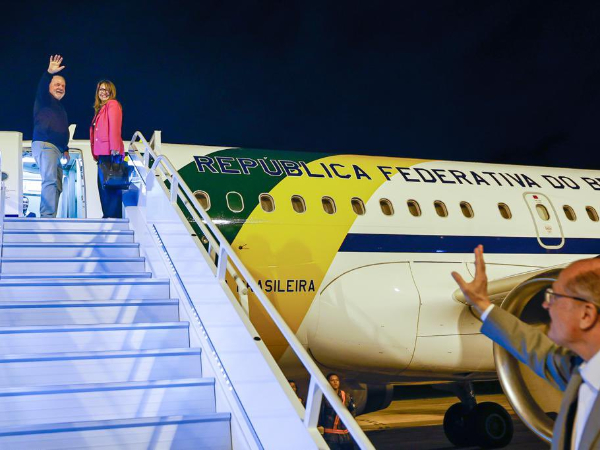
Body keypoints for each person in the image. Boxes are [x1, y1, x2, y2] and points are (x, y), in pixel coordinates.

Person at [452, 245, 600, 450]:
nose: (546, 305)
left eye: (556, 298)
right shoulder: (579, 370)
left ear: (586, 315)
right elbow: (533, 346)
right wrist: (482, 305)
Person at [32, 55, 70, 218]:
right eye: (57, 84)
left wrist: (66, 149)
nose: (60, 87)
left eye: (63, 85)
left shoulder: (60, 107)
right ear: (49, 87)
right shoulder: (45, 99)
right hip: (46, 144)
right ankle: (46, 217)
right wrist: (49, 73)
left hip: (57, 150)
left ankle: (51, 215)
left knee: (58, 184)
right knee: (50, 180)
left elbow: (61, 129)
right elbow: (41, 86)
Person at [90, 80, 124, 218]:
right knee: (104, 187)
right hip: (102, 154)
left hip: (110, 153)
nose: (103, 92)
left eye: (106, 89)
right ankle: (108, 215)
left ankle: (113, 217)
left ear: (111, 92)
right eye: (101, 89)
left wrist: (114, 151)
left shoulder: (112, 104)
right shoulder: (100, 109)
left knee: (111, 187)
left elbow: (115, 128)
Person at [318, 373, 356, 450]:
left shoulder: (346, 396)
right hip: (331, 436)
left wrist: (348, 423)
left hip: (345, 436)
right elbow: (320, 414)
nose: (335, 382)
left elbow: (352, 411)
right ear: (328, 382)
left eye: (337, 380)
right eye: (332, 380)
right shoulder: (324, 397)